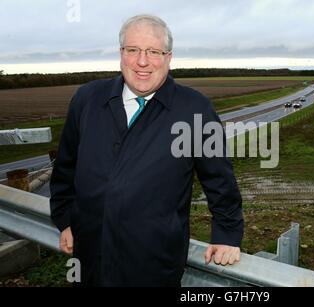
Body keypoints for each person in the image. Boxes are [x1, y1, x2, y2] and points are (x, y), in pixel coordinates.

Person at [50, 14, 244, 287]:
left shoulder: (194, 109)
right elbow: (66, 166)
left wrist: (226, 234)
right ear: (121, 53)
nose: (142, 62)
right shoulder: (88, 99)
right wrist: (65, 218)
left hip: (153, 264)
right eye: (133, 50)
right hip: (89, 256)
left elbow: (219, 180)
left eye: (153, 52)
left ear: (168, 57)